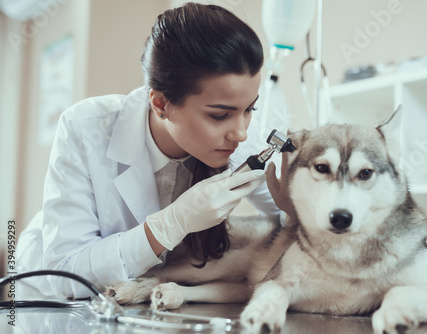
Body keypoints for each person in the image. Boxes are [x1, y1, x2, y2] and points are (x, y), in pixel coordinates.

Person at [16, 2, 285, 299]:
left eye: (250, 109)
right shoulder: (86, 128)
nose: (241, 131)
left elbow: (294, 220)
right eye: (219, 115)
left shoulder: (244, 144)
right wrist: (169, 225)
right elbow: (66, 274)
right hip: (40, 297)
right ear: (160, 104)